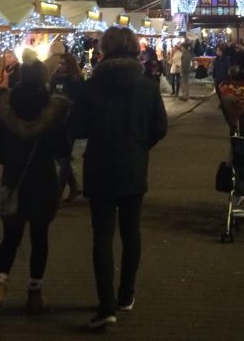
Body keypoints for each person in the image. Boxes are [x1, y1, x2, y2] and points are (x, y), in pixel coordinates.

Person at [69, 26, 168, 330]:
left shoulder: (91, 86)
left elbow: (77, 128)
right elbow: (160, 126)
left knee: (102, 235)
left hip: (100, 166)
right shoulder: (147, 86)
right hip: (133, 166)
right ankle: (126, 294)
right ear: (136, 49)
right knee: (131, 232)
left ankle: (105, 304)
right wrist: (139, 145)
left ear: (104, 49)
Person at [0, 76, 71, 325]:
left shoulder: (4, 109)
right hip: (43, 182)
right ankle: (35, 293)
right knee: (39, 238)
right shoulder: (53, 112)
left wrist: (8, 160)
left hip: (12, 182)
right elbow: (64, 149)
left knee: (10, 238)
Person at [53, 53, 85, 201]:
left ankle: (58, 194)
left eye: (63, 63)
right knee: (59, 156)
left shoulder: (76, 81)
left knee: (64, 157)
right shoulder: (55, 78)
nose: (60, 66)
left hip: (69, 123)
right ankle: (74, 186)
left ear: (70, 65)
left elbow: (80, 102)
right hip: (56, 122)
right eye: (59, 63)